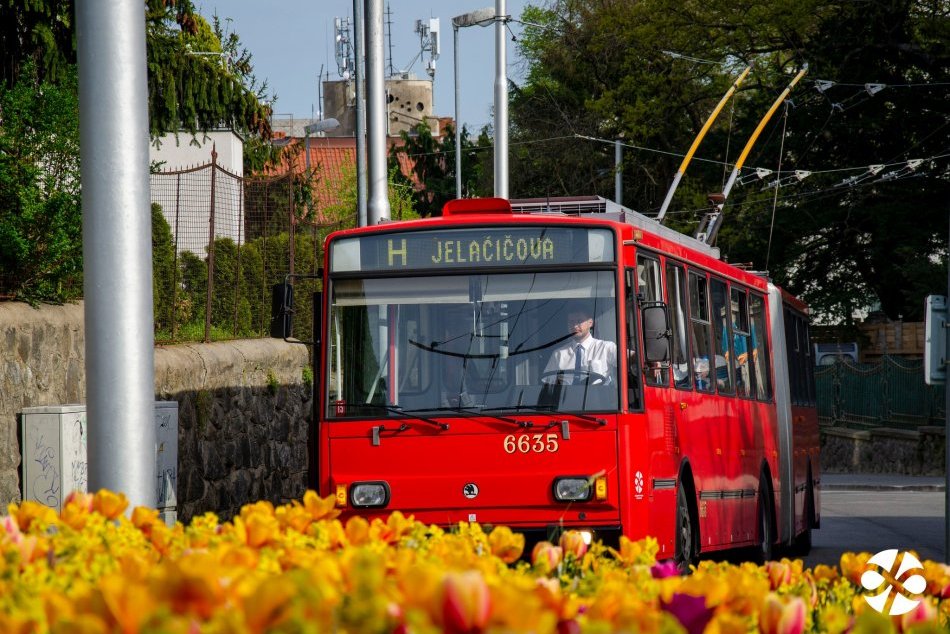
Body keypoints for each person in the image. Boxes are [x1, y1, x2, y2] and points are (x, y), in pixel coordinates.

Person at [543, 303, 617, 385]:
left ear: (590, 322)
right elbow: (547, 384)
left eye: (579, 321)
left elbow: (629, 357)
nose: (574, 326)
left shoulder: (606, 347)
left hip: (598, 396)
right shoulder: (559, 354)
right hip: (567, 397)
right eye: (571, 322)